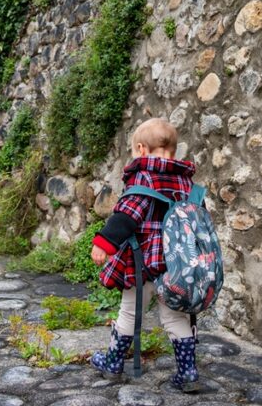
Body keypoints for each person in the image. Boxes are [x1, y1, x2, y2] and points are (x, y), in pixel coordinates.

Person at [89, 118, 200, 392]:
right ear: (172, 151)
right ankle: (188, 373)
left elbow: (127, 216)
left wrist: (104, 243)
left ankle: (113, 364)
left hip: (142, 265)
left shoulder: (144, 177)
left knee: (129, 312)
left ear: (140, 148)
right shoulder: (187, 183)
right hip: (177, 266)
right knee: (175, 318)